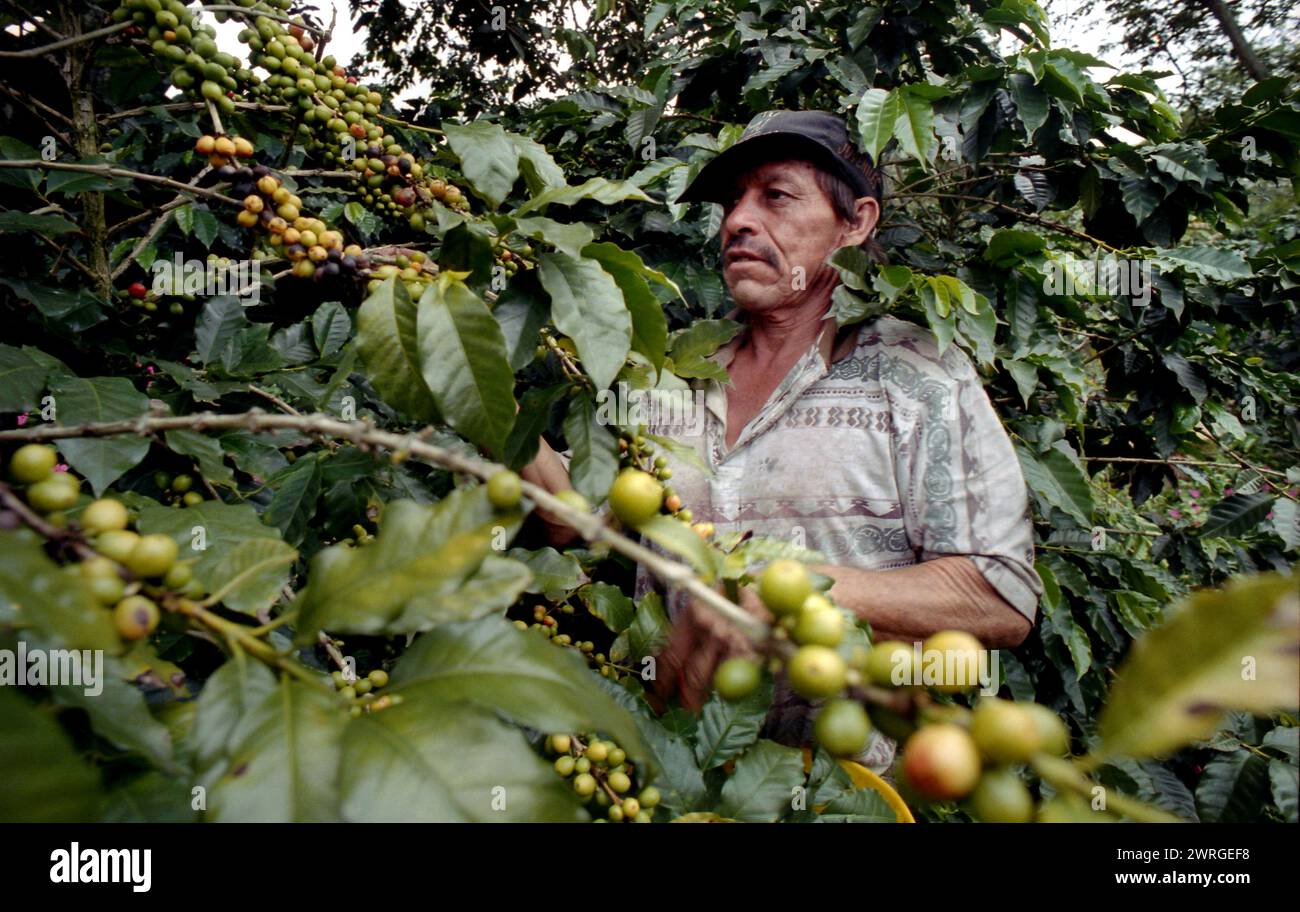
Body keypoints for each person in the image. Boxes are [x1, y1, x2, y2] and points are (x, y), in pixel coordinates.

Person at [522, 110, 1041, 773]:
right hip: (674, 777)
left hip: (840, 791)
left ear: (855, 222)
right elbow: (571, 518)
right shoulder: (675, 374)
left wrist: (791, 589)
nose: (737, 219)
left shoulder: (915, 375)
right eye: (733, 200)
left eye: (775, 195)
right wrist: (471, 386)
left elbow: (996, 595)